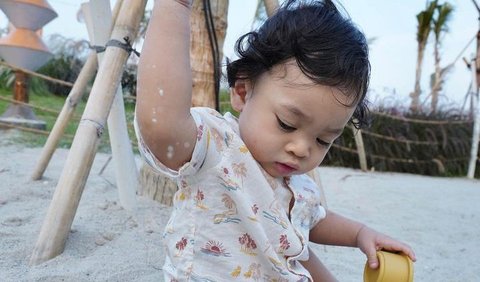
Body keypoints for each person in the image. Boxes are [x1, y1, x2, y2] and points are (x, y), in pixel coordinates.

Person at [134, 0, 416, 280]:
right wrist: (175, 6)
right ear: (243, 91)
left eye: (323, 140)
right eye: (286, 124)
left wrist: (359, 234)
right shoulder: (217, 148)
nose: (302, 149)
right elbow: (163, 129)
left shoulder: (297, 185)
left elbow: (303, 234)